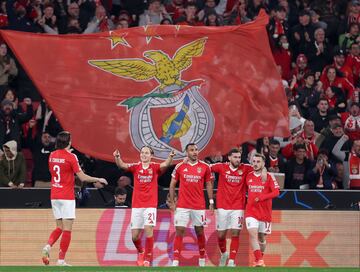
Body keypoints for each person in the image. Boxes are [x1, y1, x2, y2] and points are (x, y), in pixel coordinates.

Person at [42, 131, 108, 266]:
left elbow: (55, 171)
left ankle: (47, 246)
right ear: (69, 141)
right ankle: (61, 260)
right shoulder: (72, 157)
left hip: (54, 195)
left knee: (59, 227)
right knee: (67, 229)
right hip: (66, 196)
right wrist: (98, 178)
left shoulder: (52, 155)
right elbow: (82, 177)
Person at [113, 146, 175, 267]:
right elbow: (122, 166)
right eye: (142, 153)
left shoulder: (155, 167)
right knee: (134, 236)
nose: (144, 155)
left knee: (148, 230)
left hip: (150, 205)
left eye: (147, 153)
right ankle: (141, 251)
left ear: (151, 155)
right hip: (137, 206)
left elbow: (165, 165)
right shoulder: (136, 167)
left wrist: (170, 157)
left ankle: (147, 259)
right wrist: (117, 157)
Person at [169, 143, 213, 267]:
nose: (195, 152)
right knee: (179, 230)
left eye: (196, 150)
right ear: (187, 152)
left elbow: (209, 184)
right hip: (182, 205)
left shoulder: (205, 166)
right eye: (192, 150)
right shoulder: (180, 166)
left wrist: (211, 202)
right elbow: (172, 184)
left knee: (199, 231)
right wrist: (173, 203)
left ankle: (202, 258)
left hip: (198, 205)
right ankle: (176, 260)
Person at [211, 148, 253, 267]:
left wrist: (264, 171)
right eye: (235, 157)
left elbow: (259, 167)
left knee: (235, 233)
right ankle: (224, 254)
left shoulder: (245, 168)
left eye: (239, 157)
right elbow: (205, 167)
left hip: (238, 206)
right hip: (222, 206)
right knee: (221, 235)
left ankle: (232, 261)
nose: (238, 160)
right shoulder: (221, 167)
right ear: (229, 158)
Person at [245, 153, 280, 267]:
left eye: (258, 161)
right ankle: (259, 260)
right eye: (254, 161)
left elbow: (276, 192)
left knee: (261, 238)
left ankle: (259, 258)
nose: (255, 164)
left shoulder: (269, 176)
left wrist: (261, 197)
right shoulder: (248, 175)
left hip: (264, 212)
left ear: (263, 163)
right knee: (252, 234)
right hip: (251, 211)